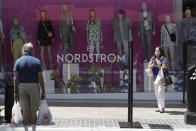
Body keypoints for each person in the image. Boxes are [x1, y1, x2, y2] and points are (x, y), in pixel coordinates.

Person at [13, 43, 46, 131]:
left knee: (25, 110)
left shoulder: (18, 61)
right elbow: (41, 78)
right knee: (33, 111)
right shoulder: (37, 61)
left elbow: (16, 78)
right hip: (34, 86)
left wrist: (15, 91)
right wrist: (43, 91)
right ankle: (34, 129)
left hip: (22, 86)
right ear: (32, 51)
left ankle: (26, 129)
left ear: (23, 50)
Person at [148, 46, 168, 113]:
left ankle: (162, 108)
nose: (156, 52)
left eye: (158, 50)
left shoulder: (164, 59)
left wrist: (157, 65)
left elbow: (164, 68)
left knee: (160, 92)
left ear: (160, 52)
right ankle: (160, 107)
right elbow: (149, 67)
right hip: (155, 78)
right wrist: (153, 65)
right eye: (155, 50)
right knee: (157, 93)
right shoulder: (153, 58)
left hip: (162, 78)